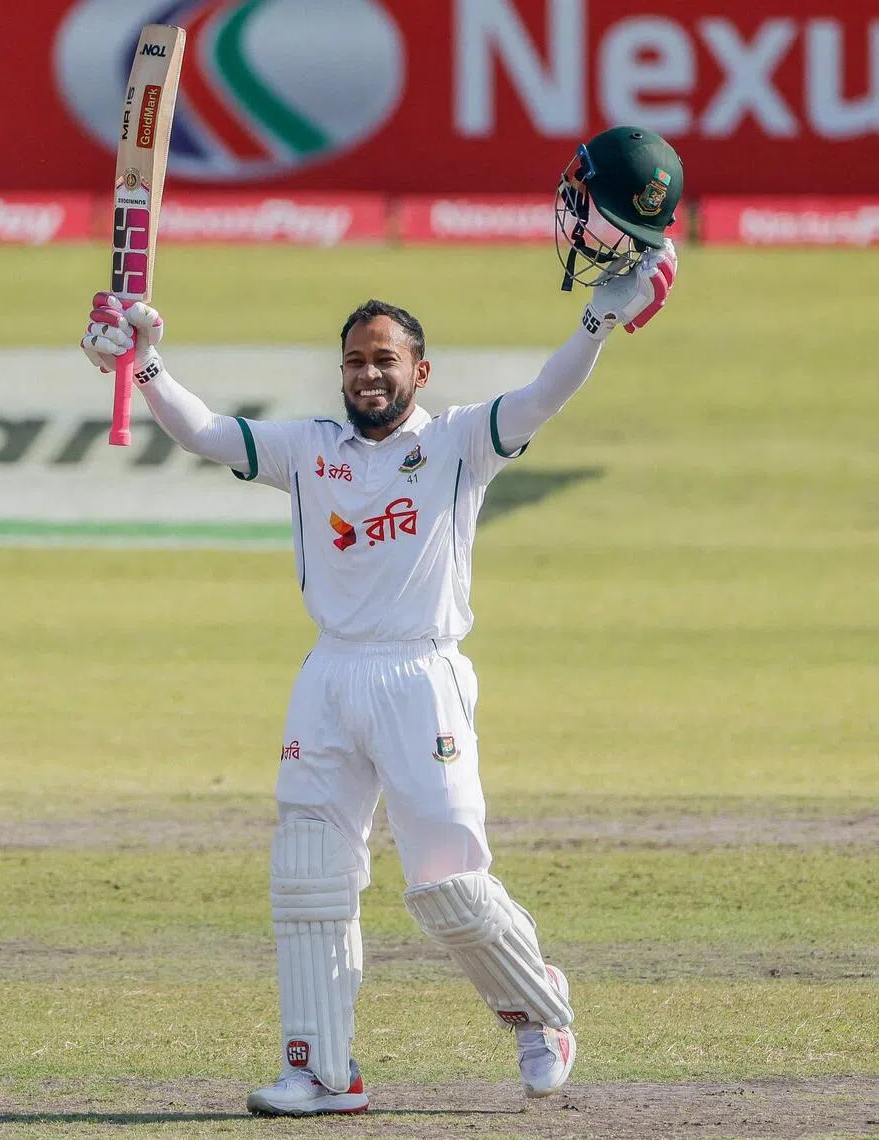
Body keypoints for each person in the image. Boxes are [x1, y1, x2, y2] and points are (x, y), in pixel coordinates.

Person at [80, 126, 682, 1117]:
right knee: (308, 874)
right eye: (356, 360)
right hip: (328, 677)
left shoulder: (459, 445)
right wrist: (143, 361)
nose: (369, 373)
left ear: (420, 371)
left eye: (386, 360)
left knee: (445, 883)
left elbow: (542, 397)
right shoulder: (307, 449)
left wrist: (596, 324)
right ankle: (321, 1071)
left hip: (420, 675)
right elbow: (205, 433)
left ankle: (539, 1008)